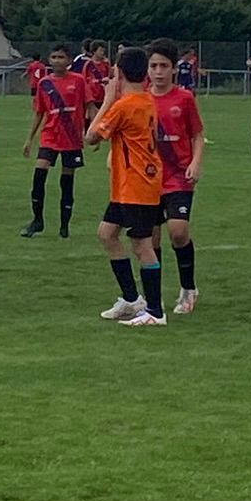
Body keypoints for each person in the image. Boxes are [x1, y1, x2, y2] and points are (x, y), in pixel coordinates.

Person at [87, 46, 168, 328]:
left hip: (137, 184)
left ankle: (155, 311)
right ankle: (132, 300)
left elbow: (91, 137)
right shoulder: (145, 100)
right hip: (128, 184)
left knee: (141, 245)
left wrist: (108, 99)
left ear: (119, 73)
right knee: (107, 233)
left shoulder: (125, 105)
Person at [147, 39, 207, 316]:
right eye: (154, 66)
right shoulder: (141, 99)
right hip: (149, 178)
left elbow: (197, 135)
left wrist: (195, 163)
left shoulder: (184, 98)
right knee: (151, 239)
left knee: (178, 231)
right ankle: (154, 296)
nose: (158, 71)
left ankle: (188, 288)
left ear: (174, 68)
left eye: (164, 66)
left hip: (179, 175)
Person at [22, 45, 90, 239]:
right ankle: (37, 220)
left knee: (67, 181)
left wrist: (92, 132)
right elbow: (39, 113)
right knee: (39, 175)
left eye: (61, 57)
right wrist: (29, 139)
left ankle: (64, 225)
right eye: (53, 57)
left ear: (68, 60)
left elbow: (90, 106)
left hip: (71, 138)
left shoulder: (78, 81)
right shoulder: (45, 83)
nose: (57, 60)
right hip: (50, 137)